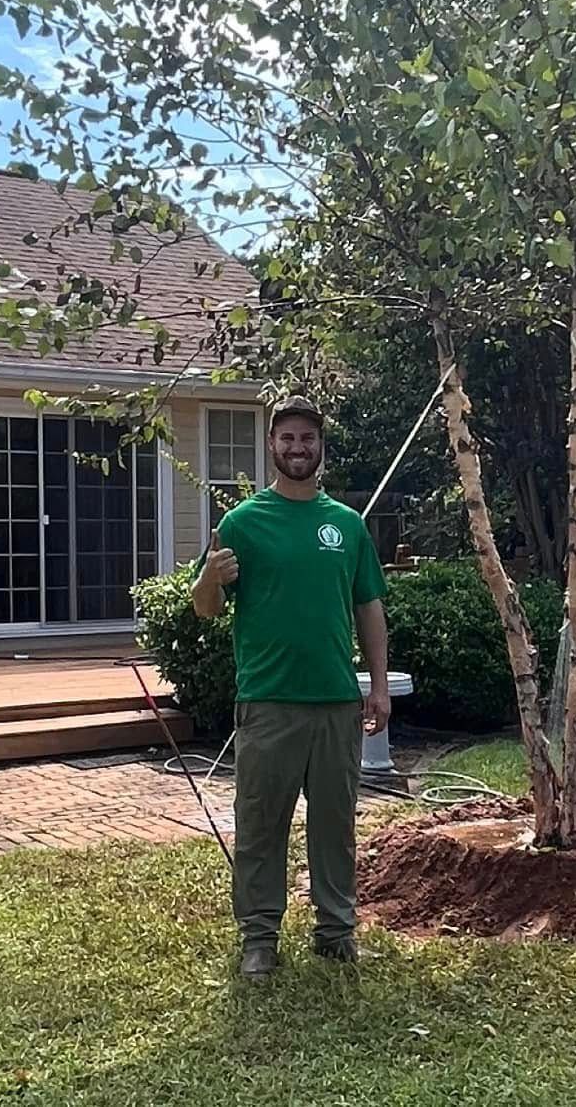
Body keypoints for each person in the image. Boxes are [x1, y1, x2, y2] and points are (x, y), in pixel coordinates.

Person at [191, 394, 390, 979]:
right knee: (260, 824)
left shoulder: (347, 525)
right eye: (287, 439)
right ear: (272, 446)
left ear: (320, 446)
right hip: (267, 701)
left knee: (336, 822)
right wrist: (209, 576)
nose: (297, 447)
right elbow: (205, 609)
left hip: (335, 700)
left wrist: (377, 686)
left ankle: (335, 930)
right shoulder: (241, 523)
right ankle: (260, 936)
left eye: (307, 438)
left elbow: (369, 607)